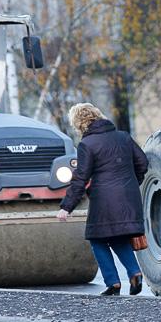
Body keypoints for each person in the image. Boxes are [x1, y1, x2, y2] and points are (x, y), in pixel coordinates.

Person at [58, 103, 150, 296]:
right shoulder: (123, 137)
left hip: (104, 201)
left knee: (97, 239)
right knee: (117, 237)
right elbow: (143, 163)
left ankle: (114, 283)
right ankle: (134, 272)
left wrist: (67, 207)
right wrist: (132, 183)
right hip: (129, 197)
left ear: (79, 123)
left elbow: (80, 178)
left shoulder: (87, 144)